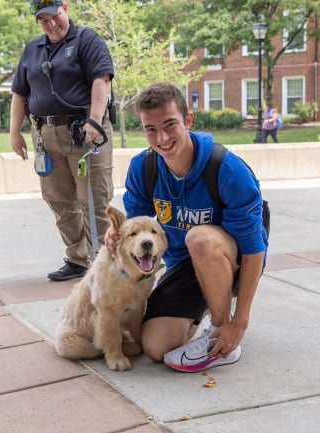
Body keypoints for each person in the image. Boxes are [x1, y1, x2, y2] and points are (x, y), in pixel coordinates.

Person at [106, 82, 268, 372]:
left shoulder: (227, 170)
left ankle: (220, 329)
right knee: (155, 348)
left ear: (188, 120)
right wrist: (117, 234)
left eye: (170, 125)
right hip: (185, 265)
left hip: (232, 260)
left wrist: (239, 321)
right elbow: (138, 229)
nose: (162, 137)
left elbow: (255, 250)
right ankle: (206, 303)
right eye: (151, 129)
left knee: (200, 239)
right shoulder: (143, 168)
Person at [10, 0, 115, 281]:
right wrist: (14, 131)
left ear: (65, 8)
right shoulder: (32, 48)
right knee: (59, 200)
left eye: (55, 16)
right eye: (43, 20)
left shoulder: (86, 39)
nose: (51, 24)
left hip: (84, 133)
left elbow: (101, 80)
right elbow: (20, 92)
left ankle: (106, 262)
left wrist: (94, 119)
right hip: (45, 134)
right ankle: (78, 258)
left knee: (94, 200)